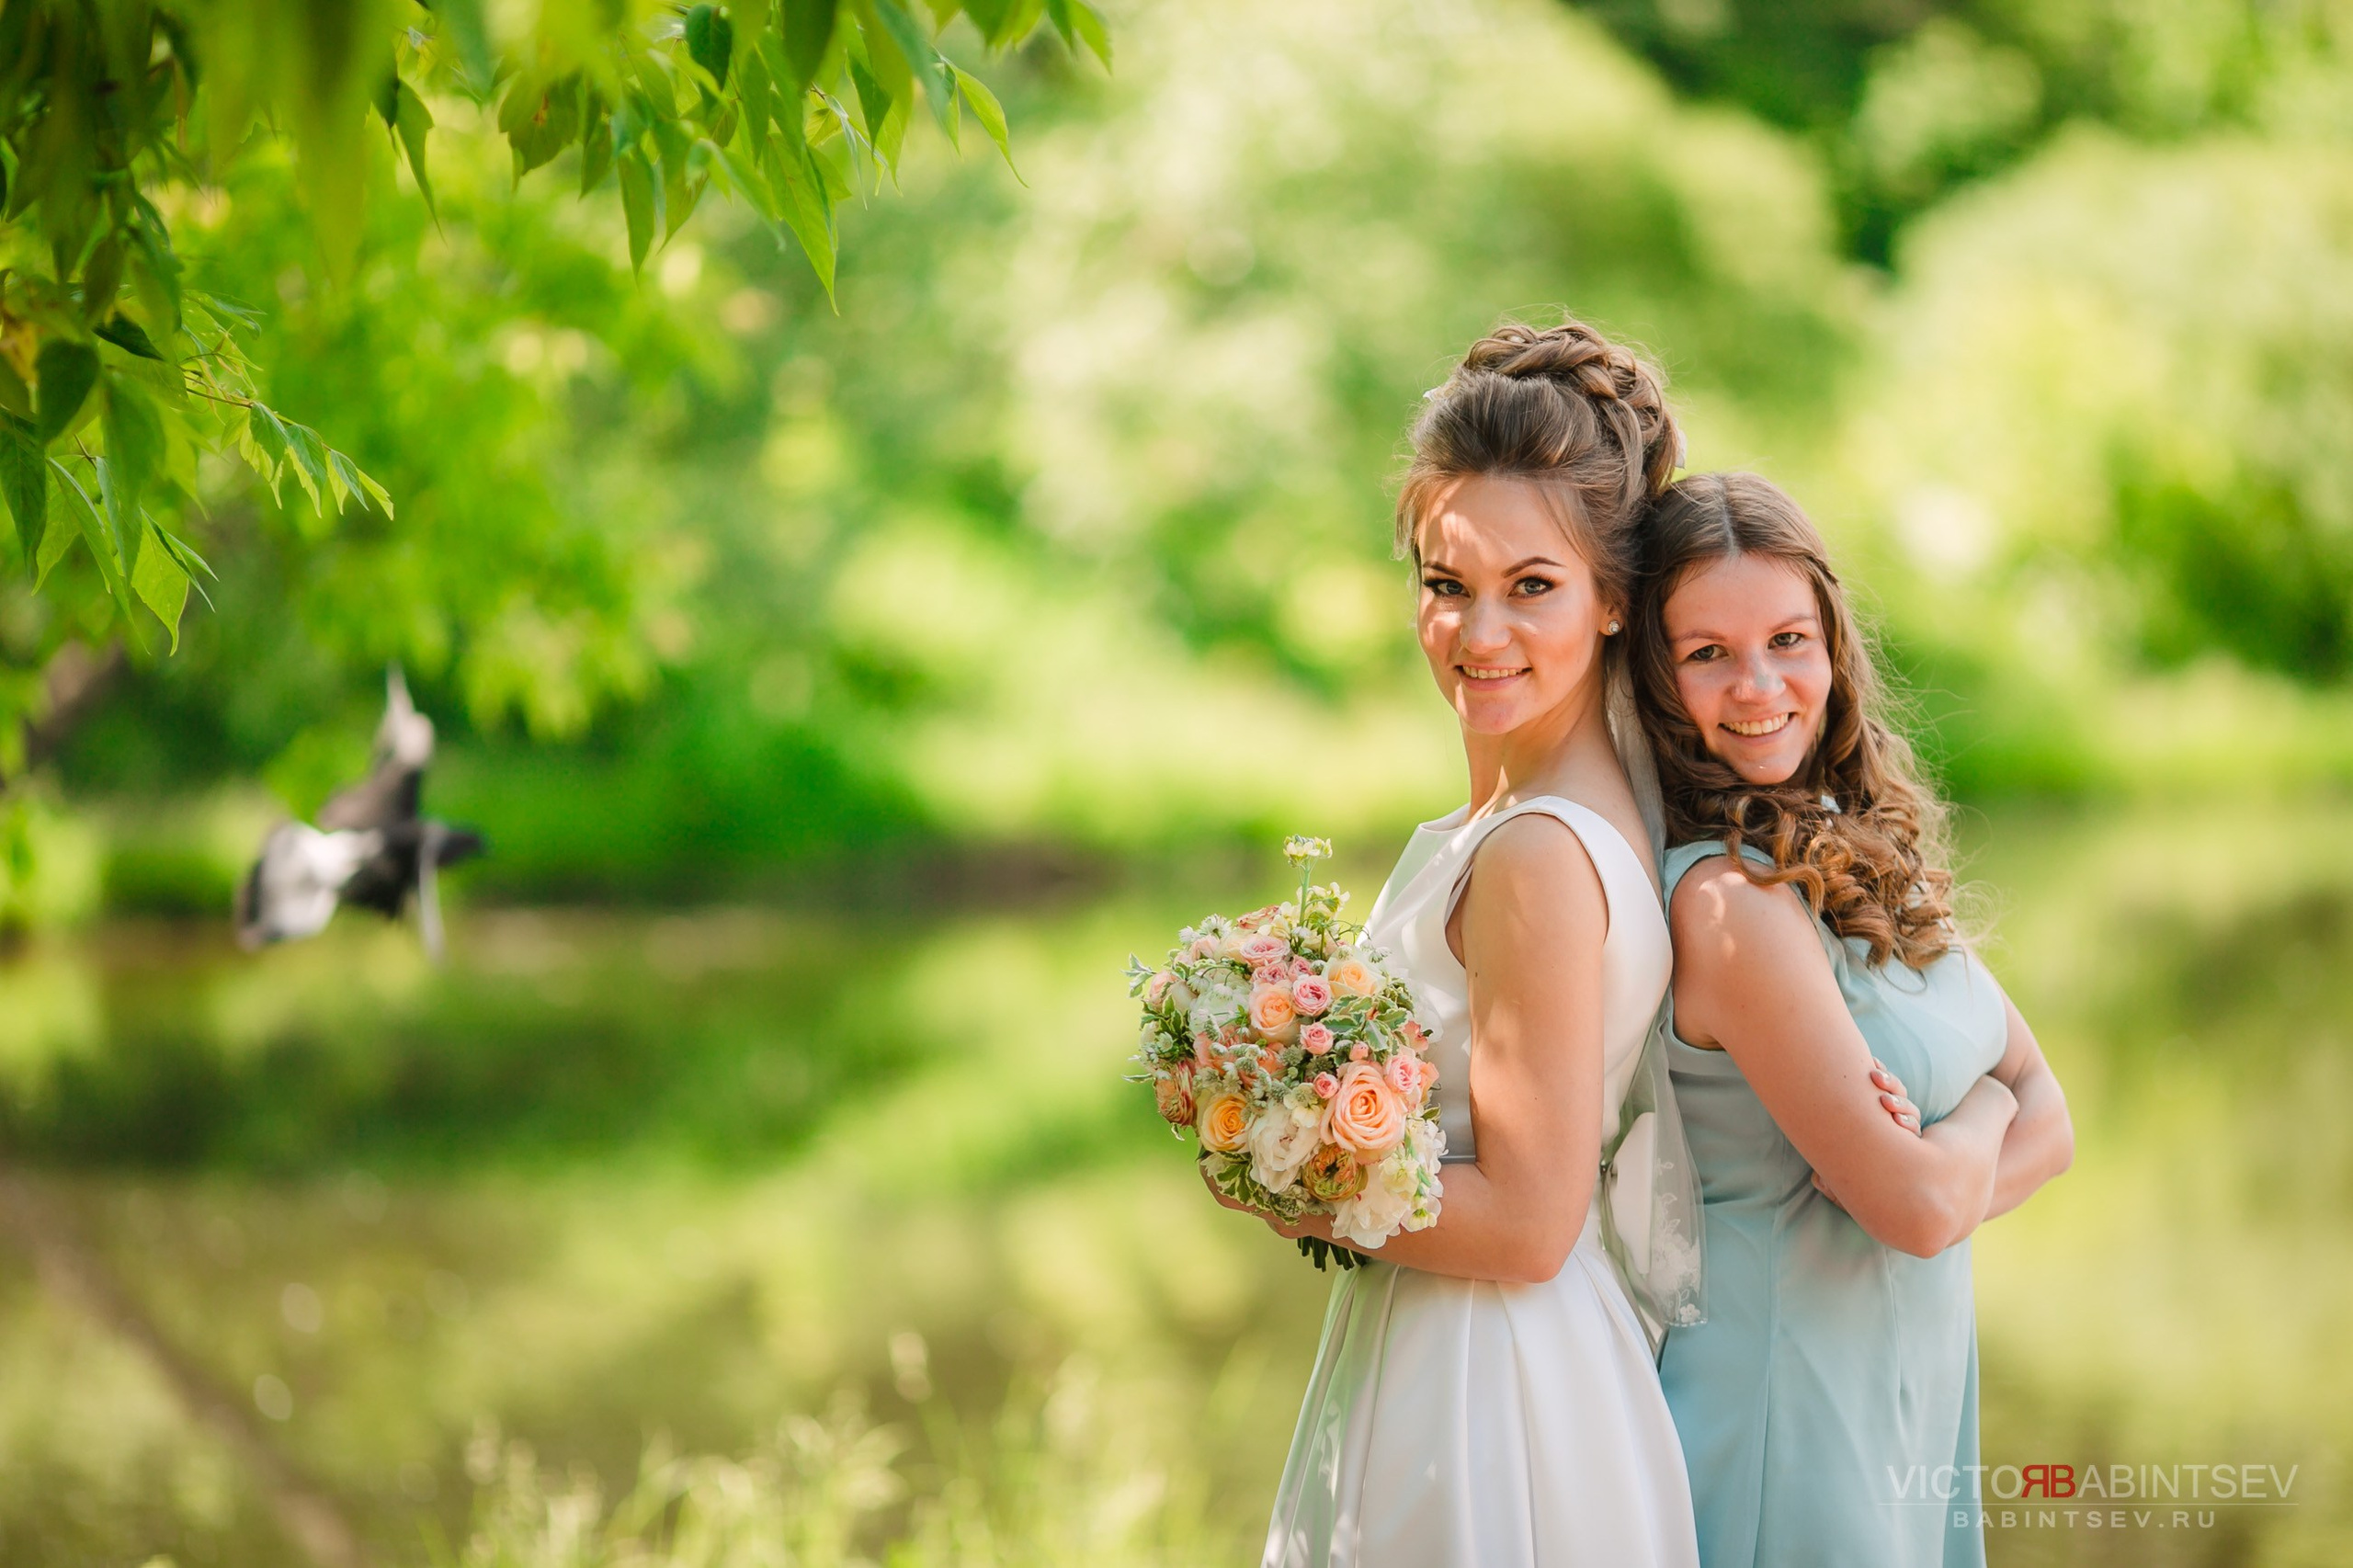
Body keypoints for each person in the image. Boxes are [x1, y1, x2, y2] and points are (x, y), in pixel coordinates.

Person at [1227, 317, 1701, 1567]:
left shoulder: (1537, 852)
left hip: (1487, 1382)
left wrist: (1285, 1174)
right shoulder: (1515, 817)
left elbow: (1528, 1222)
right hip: (1460, 1342)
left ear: (1612, 599)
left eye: (1531, 586)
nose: (1478, 633)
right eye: (1448, 585)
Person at [1627, 471, 2075, 1568]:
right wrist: (1977, 1123)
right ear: (1652, 677)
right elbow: (1918, 1204)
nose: (1758, 685)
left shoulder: (1856, 846)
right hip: (1788, 1407)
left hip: (1906, 1388)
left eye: (1787, 639)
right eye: (1707, 653)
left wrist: (1948, 1155)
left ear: (1831, 644)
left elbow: (2051, 1119)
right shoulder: (1730, 904)